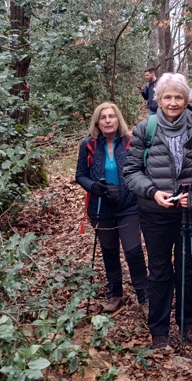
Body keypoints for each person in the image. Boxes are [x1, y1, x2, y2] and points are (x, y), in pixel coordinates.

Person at [123, 73, 192, 350]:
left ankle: (188, 322)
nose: (173, 102)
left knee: (187, 267)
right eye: (168, 97)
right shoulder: (146, 129)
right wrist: (153, 192)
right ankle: (159, 329)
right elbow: (131, 171)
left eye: (178, 97)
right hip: (154, 212)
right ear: (159, 100)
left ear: (187, 99)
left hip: (190, 212)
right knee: (159, 269)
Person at [75, 102, 148, 315]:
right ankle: (115, 293)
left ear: (118, 120)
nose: (108, 120)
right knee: (109, 251)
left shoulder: (131, 143)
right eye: (103, 117)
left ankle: (144, 296)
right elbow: (80, 175)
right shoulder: (88, 145)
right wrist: (94, 187)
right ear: (97, 122)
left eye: (112, 116)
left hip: (129, 206)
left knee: (133, 251)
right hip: (101, 208)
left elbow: (142, 171)